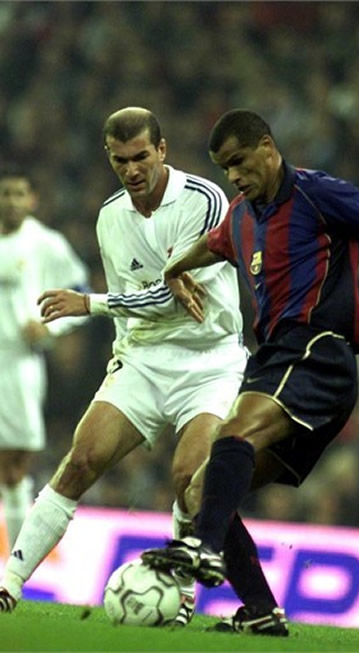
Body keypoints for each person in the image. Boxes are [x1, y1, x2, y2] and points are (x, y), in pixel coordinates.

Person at [140, 109, 359, 632]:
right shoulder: (239, 216)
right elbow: (212, 246)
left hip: (319, 353)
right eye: (223, 167)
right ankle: (260, 610)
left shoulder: (317, 194)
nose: (233, 175)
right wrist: (173, 269)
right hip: (278, 364)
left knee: (232, 434)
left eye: (238, 162)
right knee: (200, 490)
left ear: (266, 146)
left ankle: (202, 550)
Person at [0, 107, 251, 628]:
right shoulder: (110, 216)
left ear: (162, 150)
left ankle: (181, 590)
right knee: (79, 461)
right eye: (121, 161)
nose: (133, 169)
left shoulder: (204, 200)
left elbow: (175, 295)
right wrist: (122, 356)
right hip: (143, 358)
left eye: (141, 157)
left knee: (190, 478)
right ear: (109, 158)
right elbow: (140, 296)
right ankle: (9, 584)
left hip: (209, 362)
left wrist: (88, 303)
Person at [0, 167, 89, 553]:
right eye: (6, 194)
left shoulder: (45, 243)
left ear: (32, 200)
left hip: (17, 365)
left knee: (14, 466)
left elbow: (82, 292)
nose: (12, 201)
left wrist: (50, 329)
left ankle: (14, 570)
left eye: (20, 194)